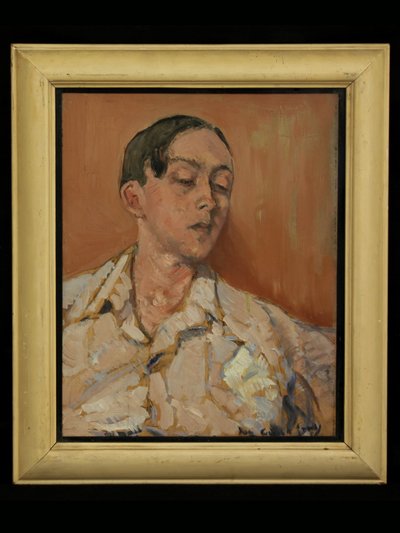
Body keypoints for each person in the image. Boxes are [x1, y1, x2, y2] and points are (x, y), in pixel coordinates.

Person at [63, 115, 336, 438]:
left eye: (221, 185)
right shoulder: (59, 316)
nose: (209, 200)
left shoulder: (269, 333)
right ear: (134, 199)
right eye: (185, 180)